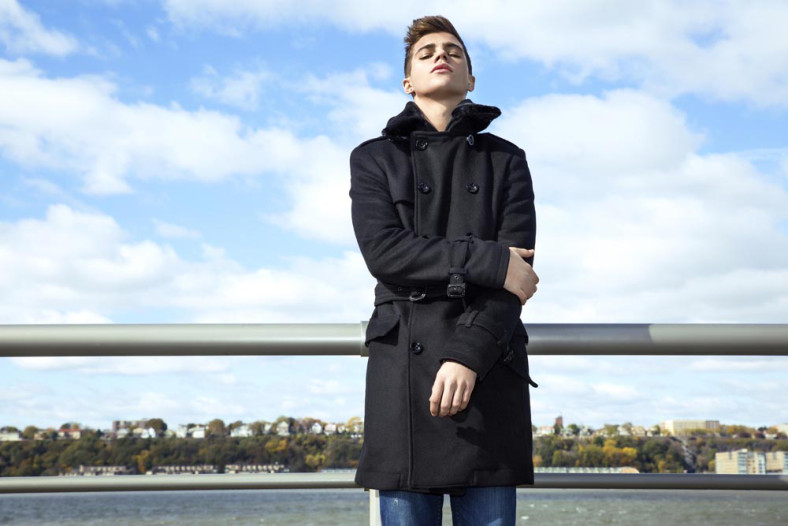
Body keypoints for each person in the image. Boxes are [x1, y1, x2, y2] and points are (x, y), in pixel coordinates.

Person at [348, 15, 539, 525]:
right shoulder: (373, 158)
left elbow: (516, 281)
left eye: (454, 51)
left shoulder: (507, 160)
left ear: (470, 79)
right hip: (404, 378)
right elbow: (385, 253)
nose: (441, 56)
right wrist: (489, 260)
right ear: (407, 81)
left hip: (488, 368)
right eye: (427, 52)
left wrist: (466, 357)